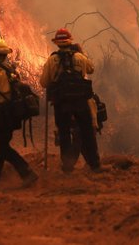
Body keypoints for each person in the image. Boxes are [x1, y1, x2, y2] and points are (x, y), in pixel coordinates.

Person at [40, 28, 102, 173]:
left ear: (57, 43)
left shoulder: (52, 60)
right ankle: (95, 164)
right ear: (70, 41)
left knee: (64, 132)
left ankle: (67, 165)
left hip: (61, 103)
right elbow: (91, 69)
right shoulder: (80, 57)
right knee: (87, 132)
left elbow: (44, 82)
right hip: (81, 102)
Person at [0, 39, 38, 188]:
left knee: (2, 148)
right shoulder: (11, 70)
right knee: (0, 147)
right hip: (11, 114)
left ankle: (26, 172)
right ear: (5, 55)